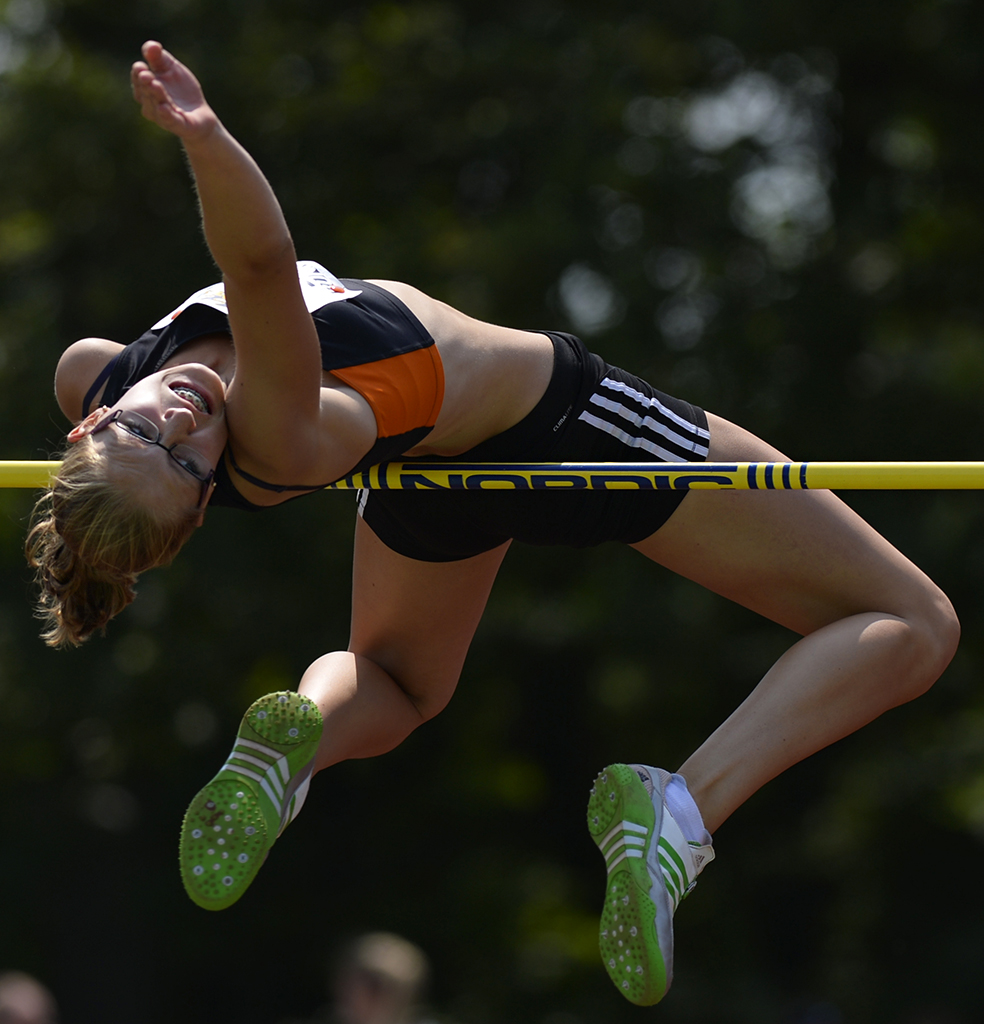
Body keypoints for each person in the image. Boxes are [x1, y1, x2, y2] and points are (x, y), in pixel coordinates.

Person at [28, 42, 959, 1007]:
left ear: (92, 417)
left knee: (395, 684)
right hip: (564, 429)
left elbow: (116, 366)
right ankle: (679, 812)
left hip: (433, 477)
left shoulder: (91, 371)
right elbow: (258, 261)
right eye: (190, 469)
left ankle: (302, 732)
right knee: (915, 623)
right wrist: (204, 135)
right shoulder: (273, 424)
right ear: (205, 497)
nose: (184, 425)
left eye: (152, 436)